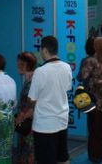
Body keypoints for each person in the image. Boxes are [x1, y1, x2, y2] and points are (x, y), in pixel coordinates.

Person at [23, 36, 73, 164]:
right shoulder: (67, 67)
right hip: (62, 120)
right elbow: (67, 88)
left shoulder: (40, 71)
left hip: (44, 124)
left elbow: (31, 99)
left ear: (45, 50)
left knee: (45, 159)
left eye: (41, 49)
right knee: (62, 157)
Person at [14, 52, 37, 164]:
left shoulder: (32, 81)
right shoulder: (29, 79)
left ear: (25, 65)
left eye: (19, 63)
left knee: (28, 152)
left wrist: (21, 118)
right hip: (26, 123)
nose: (17, 65)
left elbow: (33, 105)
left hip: (29, 124)